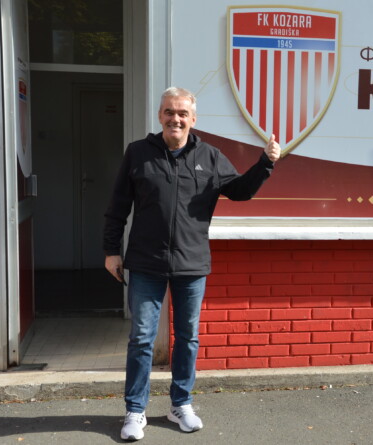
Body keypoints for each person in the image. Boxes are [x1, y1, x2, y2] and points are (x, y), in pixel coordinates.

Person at [103, 86, 280, 441]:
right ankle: (135, 411)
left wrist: (266, 162)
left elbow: (240, 191)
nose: (176, 119)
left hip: (191, 264)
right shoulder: (138, 153)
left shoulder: (210, 157)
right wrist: (111, 250)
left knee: (187, 338)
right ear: (160, 116)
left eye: (182, 113)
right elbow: (118, 205)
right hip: (146, 262)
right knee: (141, 339)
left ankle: (180, 404)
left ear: (193, 119)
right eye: (169, 112)